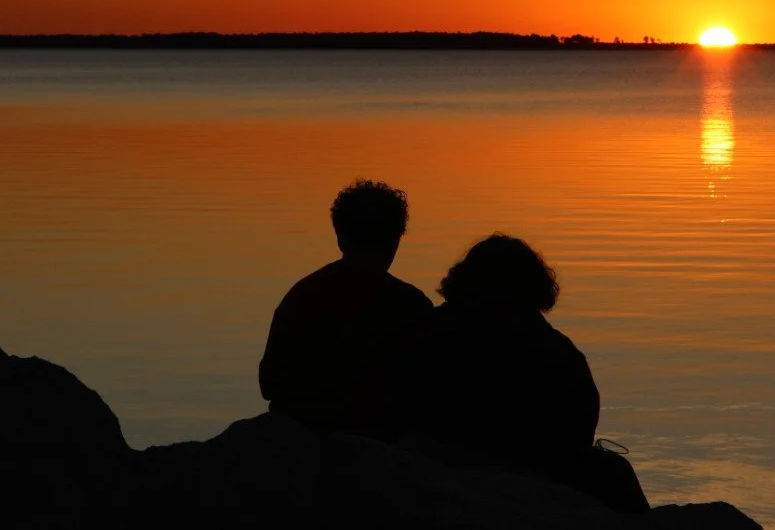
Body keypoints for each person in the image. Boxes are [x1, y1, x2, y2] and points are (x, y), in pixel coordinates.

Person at [397, 233, 649, 513]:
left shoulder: (429, 331)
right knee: (614, 470)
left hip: (438, 463)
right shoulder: (556, 352)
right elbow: (579, 430)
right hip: (522, 473)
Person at [258, 179, 433, 436]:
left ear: (340, 238)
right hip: (381, 439)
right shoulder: (412, 306)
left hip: (303, 433)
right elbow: (427, 389)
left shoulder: (301, 297)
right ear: (395, 240)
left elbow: (269, 384)